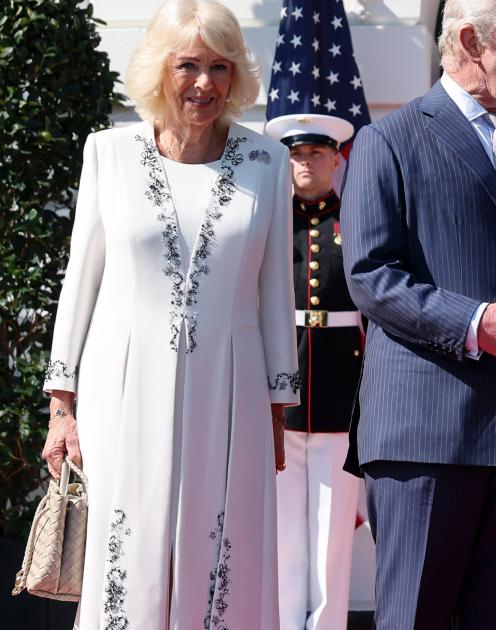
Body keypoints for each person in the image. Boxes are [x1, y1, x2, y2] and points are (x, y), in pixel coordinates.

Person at [37, 0, 297, 627]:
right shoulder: (109, 153)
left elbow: (274, 291)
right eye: (188, 66)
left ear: (236, 77)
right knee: (129, 547)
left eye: (219, 67)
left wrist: (277, 405)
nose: (204, 84)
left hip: (231, 390)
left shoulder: (269, 163)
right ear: (160, 71)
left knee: (223, 549)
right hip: (121, 386)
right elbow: (83, 278)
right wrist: (61, 406)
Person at [339, 0, 496, 626]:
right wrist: (474, 323)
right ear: (472, 40)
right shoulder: (386, 141)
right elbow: (370, 275)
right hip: (425, 439)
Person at [264, 113, 361, 630]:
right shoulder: (269, 222)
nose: (306, 164)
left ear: (336, 158)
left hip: (340, 398)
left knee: (331, 538)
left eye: (316, 155)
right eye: (297, 156)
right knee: (282, 534)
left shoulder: (358, 221)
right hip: (281, 400)